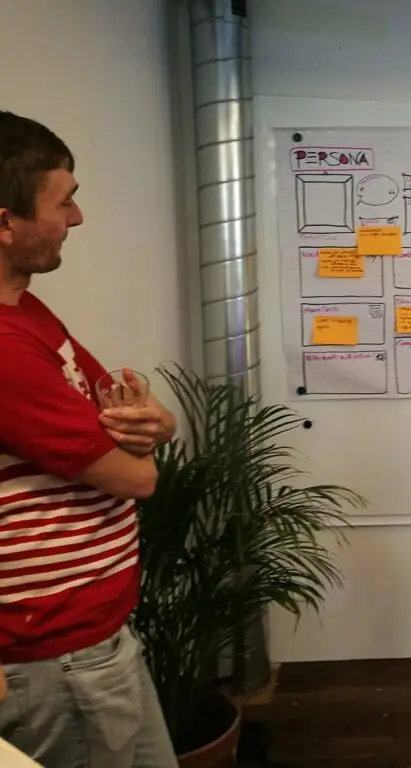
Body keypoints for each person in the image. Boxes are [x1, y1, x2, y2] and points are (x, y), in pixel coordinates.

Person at [0, 111, 178, 766]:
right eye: (64, 200)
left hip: (88, 646)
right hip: (57, 664)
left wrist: (159, 423)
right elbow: (139, 477)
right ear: (4, 222)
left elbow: (126, 403)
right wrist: (144, 443)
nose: (78, 218)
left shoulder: (25, 307)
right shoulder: (5, 347)